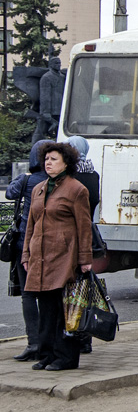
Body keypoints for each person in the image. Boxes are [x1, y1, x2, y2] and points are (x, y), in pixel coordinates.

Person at [23, 141, 92, 372]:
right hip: (40, 257)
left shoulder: (76, 189)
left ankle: (66, 357)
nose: (48, 163)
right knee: (46, 309)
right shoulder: (39, 188)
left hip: (64, 256)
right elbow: (31, 225)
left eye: (54, 159)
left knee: (65, 310)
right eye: (46, 159)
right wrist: (26, 254)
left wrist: (85, 259)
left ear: (66, 163)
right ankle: (46, 355)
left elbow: (84, 227)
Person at [5, 140, 51, 361]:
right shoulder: (60, 181)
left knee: (28, 295)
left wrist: (22, 176)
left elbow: (9, 194)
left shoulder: (27, 180)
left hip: (25, 243)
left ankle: (34, 343)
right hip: (52, 245)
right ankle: (51, 341)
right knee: (50, 295)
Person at [66, 136, 100, 355]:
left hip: (73, 237)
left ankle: (73, 334)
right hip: (88, 235)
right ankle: (85, 338)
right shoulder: (93, 175)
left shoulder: (70, 178)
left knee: (70, 289)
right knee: (83, 289)